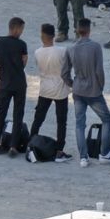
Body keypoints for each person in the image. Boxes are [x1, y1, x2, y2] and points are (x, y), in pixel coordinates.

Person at [61, 18, 110, 168]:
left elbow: (64, 73)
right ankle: (104, 153)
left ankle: (83, 157)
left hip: (78, 90)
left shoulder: (70, 48)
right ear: (89, 30)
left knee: (79, 124)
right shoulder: (95, 47)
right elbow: (99, 71)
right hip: (93, 90)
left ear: (77, 30)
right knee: (107, 119)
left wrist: (73, 84)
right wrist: (100, 86)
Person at [30, 23, 72, 162]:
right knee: (61, 121)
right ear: (53, 36)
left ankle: (31, 142)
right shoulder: (62, 51)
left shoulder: (37, 52)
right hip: (60, 89)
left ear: (42, 36)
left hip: (45, 88)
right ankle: (60, 150)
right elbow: (67, 68)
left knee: (39, 118)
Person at [0, 17, 29, 156]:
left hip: (4, 82)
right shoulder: (22, 44)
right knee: (18, 115)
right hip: (19, 83)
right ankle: (13, 147)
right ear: (16, 28)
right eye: (21, 29)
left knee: (1, 113)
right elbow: (24, 62)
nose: (21, 32)